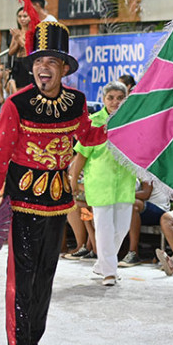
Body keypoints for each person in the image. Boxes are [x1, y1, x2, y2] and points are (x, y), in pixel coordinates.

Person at [0, 21, 105, 345]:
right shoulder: (16, 104)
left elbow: (88, 137)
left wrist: (121, 121)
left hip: (58, 202)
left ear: (63, 68)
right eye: (38, 61)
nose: (43, 68)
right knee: (22, 279)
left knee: (46, 276)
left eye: (51, 62)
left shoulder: (76, 101)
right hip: (23, 204)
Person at [69, 80, 136, 286]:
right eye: (110, 98)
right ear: (103, 99)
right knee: (104, 228)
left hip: (125, 182)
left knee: (121, 229)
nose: (115, 102)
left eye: (119, 98)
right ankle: (109, 272)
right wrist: (73, 181)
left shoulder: (132, 120)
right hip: (99, 183)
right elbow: (81, 155)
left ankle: (104, 264)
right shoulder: (94, 122)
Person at [120, 180, 169, 267]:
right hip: (146, 207)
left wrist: (119, 195)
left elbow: (146, 194)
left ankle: (133, 253)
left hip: (159, 208)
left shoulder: (146, 171)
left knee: (132, 205)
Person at [7, 7, 33, 94]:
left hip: (28, 62)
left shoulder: (33, 32)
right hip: (18, 62)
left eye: (25, 16)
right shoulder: (17, 32)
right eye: (19, 16)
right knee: (17, 91)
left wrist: (19, 38)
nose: (22, 19)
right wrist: (17, 40)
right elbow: (11, 52)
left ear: (30, 17)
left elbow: (29, 50)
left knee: (28, 90)